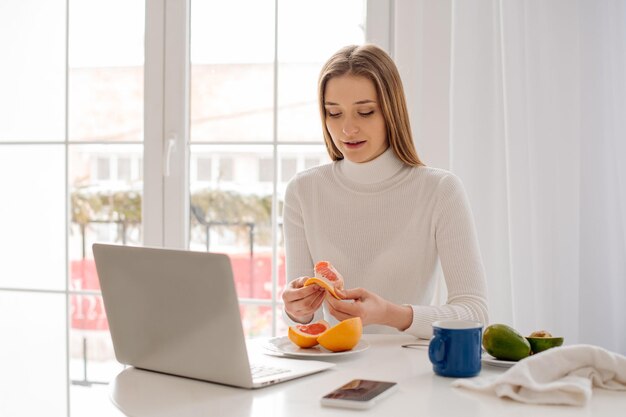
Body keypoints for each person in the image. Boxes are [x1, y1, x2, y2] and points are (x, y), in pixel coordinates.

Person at [281, 44, 488, 339]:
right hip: (332, 369)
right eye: (334, 113)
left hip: (413, 373)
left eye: (365, 112)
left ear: (392, 111)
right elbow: (303, 319)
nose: (347, 129)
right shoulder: (303, 191)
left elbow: (475, 312)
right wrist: (296, 308)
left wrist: (392, 315)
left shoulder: (440, 191)